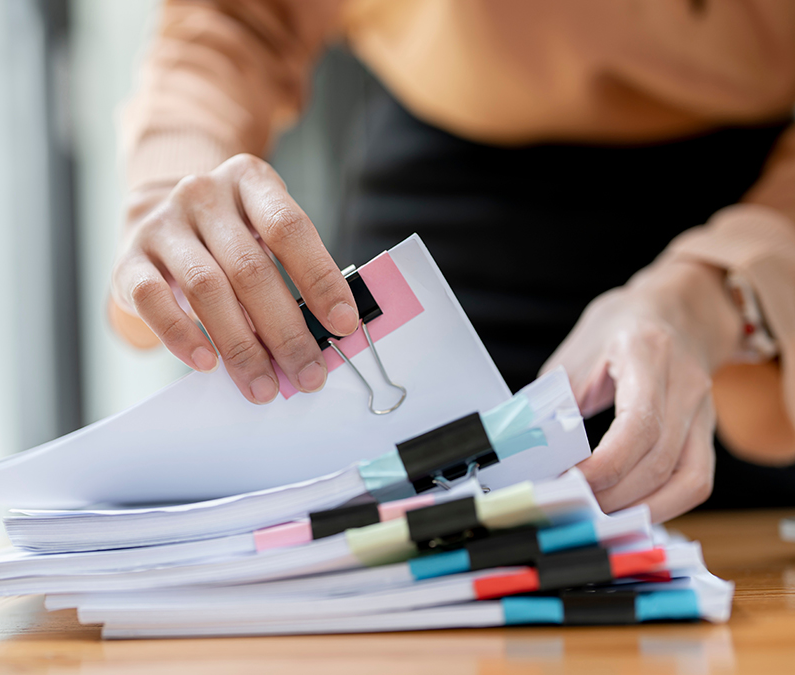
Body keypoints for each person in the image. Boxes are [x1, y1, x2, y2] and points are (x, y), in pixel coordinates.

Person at [106, 0, 795, 522]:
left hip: (765, 217)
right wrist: (169, 193)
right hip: (444, 213)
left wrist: (722, 289)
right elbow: (237, 21)